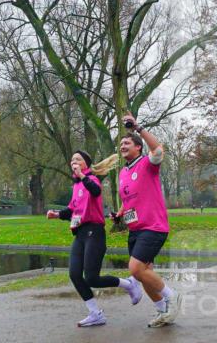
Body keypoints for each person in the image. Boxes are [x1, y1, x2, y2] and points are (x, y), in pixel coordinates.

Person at [47, 151, 142, 327]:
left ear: (86, 165)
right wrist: (56, 214)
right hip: (80, 234)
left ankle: (129, 284)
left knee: (91, 278)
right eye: (72, 159)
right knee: (75, 275)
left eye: (78, 159)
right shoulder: (76, 186)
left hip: (95, 233)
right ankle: (95, 313)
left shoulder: (92, 180)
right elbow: (71, 210)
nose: (74, 161)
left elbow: (96, 190)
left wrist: (83, 176)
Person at [116, 112, 182, 328]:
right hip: (136, 229)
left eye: (127, 143)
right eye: (121, 143)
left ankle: (173, 297)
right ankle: (163, 311)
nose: (123, 146)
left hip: (154, 227)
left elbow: (158, 149)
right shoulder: (123, 172)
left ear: (138, 147)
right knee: (145, 274)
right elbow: (129, 198)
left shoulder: (147, 163)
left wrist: (138, 128)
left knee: (136, 269)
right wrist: (120, 213)